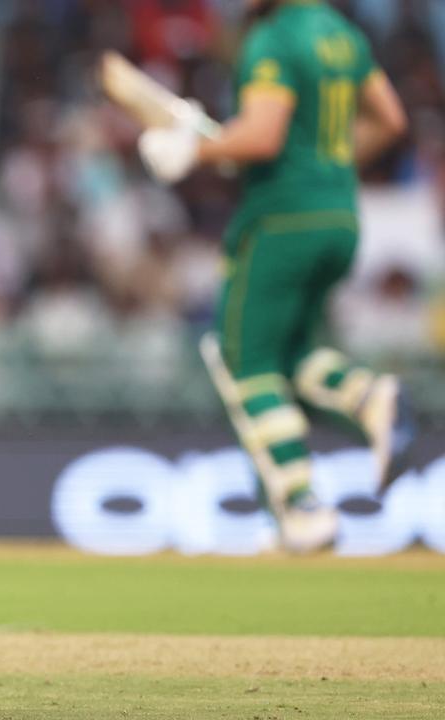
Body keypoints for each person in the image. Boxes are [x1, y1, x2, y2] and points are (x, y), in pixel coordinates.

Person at [136, 0, 415, 552]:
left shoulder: (272, 38)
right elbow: (391, 120)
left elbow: (261, 137)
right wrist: (323, 166)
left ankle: (301, 507)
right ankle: (361, 395)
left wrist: (193, 149)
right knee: (289, 358)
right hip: (339, 216)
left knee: (243, 362)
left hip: (281, 220)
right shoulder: (341, 32)